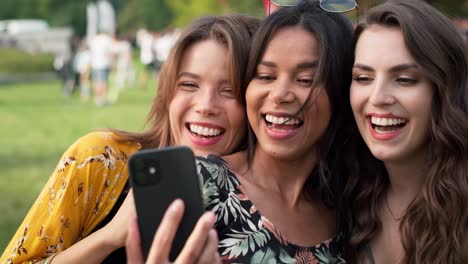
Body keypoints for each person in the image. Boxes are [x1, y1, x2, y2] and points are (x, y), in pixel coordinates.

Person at [0, 14, 259, 264]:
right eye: (189, 85)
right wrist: (109, 237)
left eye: (230, 90)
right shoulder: (101, 161)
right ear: (167, 92)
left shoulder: (274, 200)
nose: (206, 106)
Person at [138, 1, 356, 262]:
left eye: (305, 80)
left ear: (342, 92)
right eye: (265, 76)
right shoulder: (199, 183)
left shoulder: (353, 206)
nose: (280, 95)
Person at [345, 0, 468, 263]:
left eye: (405, 79)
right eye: (363, 78)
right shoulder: (343, 198)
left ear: (445, 90)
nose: (377, 98)